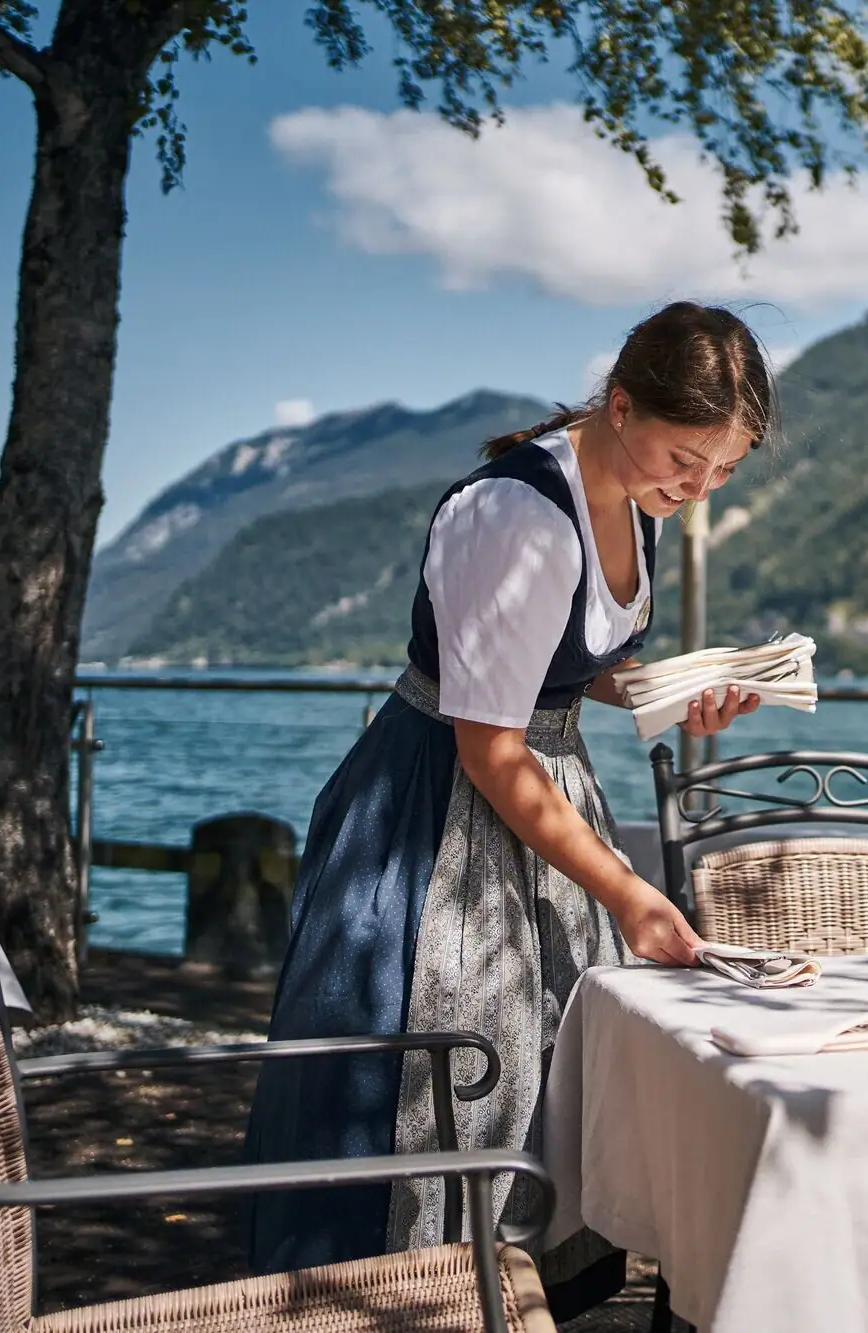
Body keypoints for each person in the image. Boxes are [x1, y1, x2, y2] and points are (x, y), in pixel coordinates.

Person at [244, 301, 776, 1314]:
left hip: (544, 795)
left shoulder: (633, 498)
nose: (698, 489)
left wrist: (667, 689)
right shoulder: (514, 517)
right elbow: (488, 746)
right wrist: (624, 890)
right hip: (437, 810)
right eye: (684, 458)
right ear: (619, 405)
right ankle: (401, 1297)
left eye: (725, 471)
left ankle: (516, 1296)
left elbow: (566, 667)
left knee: (542, 1071)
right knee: (441, 1073)